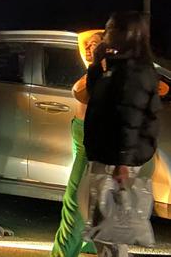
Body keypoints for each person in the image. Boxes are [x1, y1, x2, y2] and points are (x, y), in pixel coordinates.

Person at [83, 11, 162, 256]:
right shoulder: (121, 67)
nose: (105, 34)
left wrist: (122, 162)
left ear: (125, 34)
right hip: (109, 155)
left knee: (109, 229)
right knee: (105, 227)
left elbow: (130, 117)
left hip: (114, 159)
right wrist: (97, 65)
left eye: (110, 29)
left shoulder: (134, 72)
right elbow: (96, 95)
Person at [51, 31, 102, 257]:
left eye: (95, 45)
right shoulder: (94, 67)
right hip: (80, 133)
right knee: (89, 194)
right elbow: (81, 39)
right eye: (89, 46)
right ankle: (89, 244)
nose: (88, 48)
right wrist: (95, 44)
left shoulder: (106, 71)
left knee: (74, 201)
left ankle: (63, 253)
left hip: (90, 139)